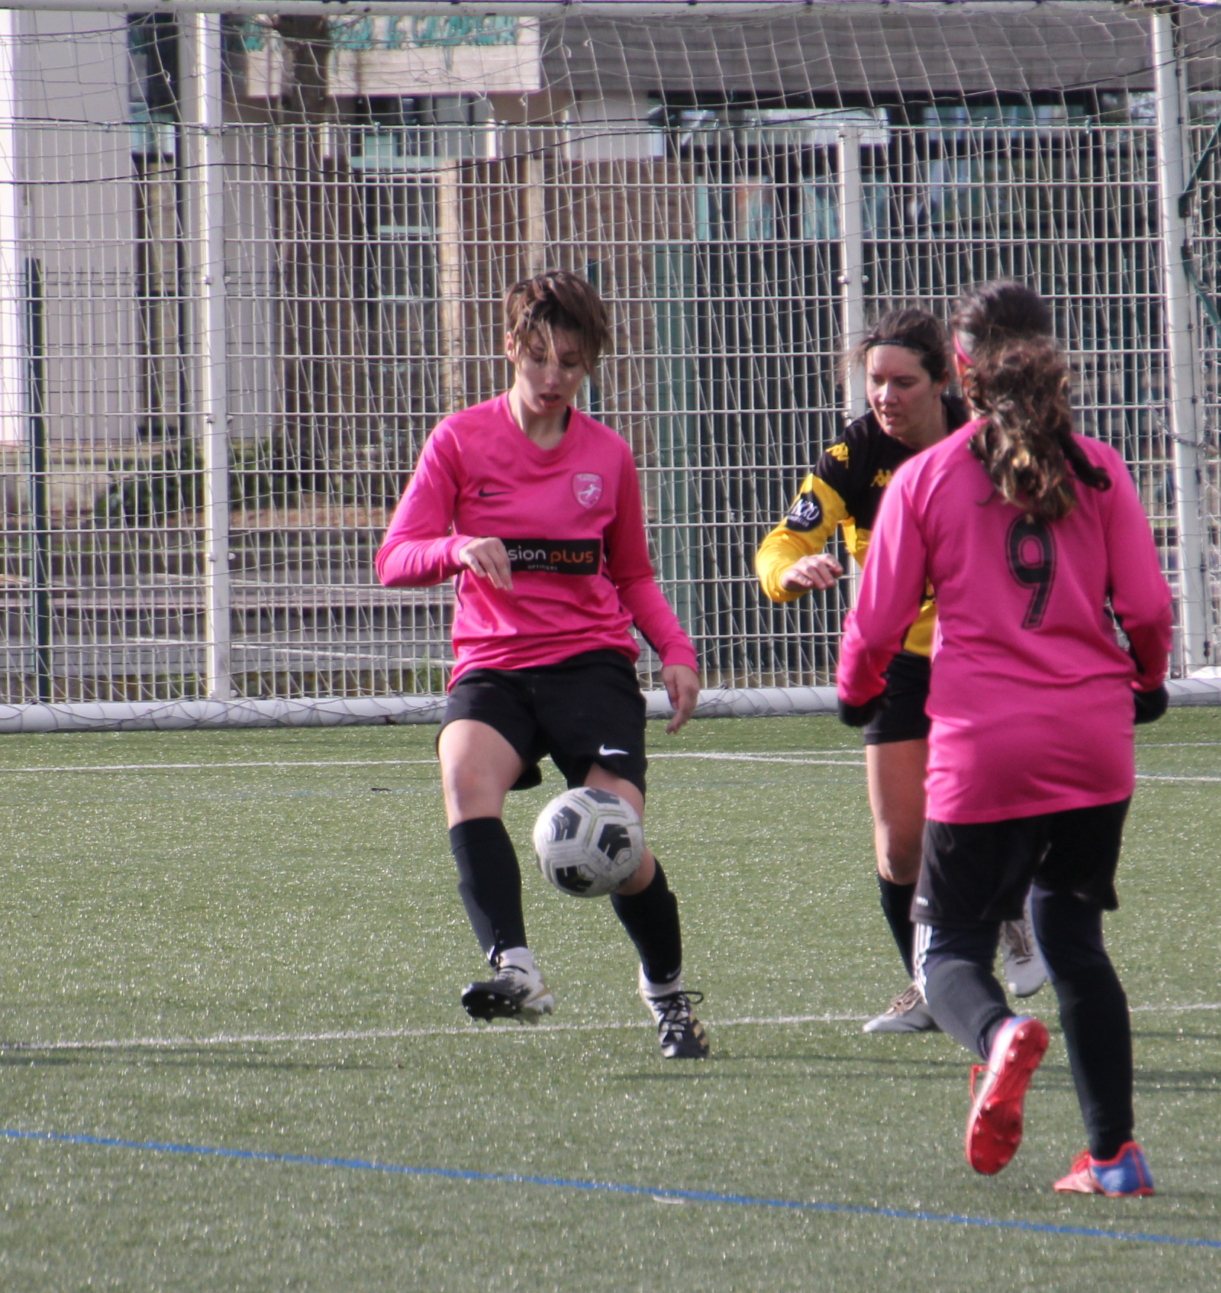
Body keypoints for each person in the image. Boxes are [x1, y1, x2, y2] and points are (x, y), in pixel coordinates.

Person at [837, 280, 1174, 1195]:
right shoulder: (1100, 467)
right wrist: (1144, 682)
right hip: (1096, 742)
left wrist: (854, 693)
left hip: (986, 744)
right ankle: (1114, 1157)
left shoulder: (930, 476)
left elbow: (874, 629)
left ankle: (996, 1038)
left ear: (962, 371)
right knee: (1074, 942)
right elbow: (1146, 607)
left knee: (947, 950)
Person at [376, 270, 709, 1059]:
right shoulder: (459, 440)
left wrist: (677, 651)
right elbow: (394, 556)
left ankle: (664, 992)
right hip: (493, 665)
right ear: (509, 351)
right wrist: (457, 546)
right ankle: (516, 967)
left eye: (571, 361)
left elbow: (632, 575)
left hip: (591, 665)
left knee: (617, 846)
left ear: (589, 363)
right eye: (539, 359)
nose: (554, 377)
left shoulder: (610, 457)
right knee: (464, 775)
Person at [755, 306, 1047, 1035]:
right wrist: (792, 573)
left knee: (989, 810)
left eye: (901, 381)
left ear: (943, 381)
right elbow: (781, 541)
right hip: (898, 660)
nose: (883, 396)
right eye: (874, 381)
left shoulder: (984, 442)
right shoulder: (853, 456)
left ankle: (1006, 907)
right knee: (897, 846)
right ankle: (927, 987)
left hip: (985, 654)